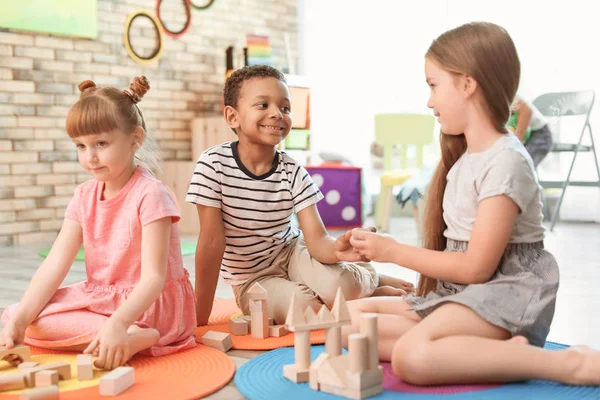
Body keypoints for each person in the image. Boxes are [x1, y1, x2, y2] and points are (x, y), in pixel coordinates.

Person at [342, 22, 600, 386]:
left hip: (504, 295)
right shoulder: (464, 160)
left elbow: (477, 268)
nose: (429, 100)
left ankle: (556, 363)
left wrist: (392, 251)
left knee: (410, 358)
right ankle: (457, 347)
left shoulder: (506, 161)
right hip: (461, 294)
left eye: (433, 85)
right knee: (343, 321)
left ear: (467, 84)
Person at [187, 65, 414, 326]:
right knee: (306, 311)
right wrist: (200, 316)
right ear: (232, 116)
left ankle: (369, 280)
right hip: (251, 279)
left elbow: (317, 241)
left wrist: (338, 250)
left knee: (340, 285)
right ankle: (368, 295)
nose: (276, 114)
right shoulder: (212, 164)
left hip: (294, 253)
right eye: (263, 105)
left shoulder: (292, 169)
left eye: (285, 108)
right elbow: (212, 242)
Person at [0, 77, 197, 370]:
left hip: (149, 306)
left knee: (32, 322)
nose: (90, 157)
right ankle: (123, 337)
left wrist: (118, 322)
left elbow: (153, 278)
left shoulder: (151, 193)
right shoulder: (84, 195)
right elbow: (55, 263)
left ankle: (135, 334)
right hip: (103, 300)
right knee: (17, 316)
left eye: (101, 143)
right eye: (80, 146)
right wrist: (18, 322)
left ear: (135, 140)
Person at [508, 95, 553, 167]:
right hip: (524, 137)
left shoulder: (517, 101)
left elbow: (527, 110)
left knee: (521, 166)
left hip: (540, 135)